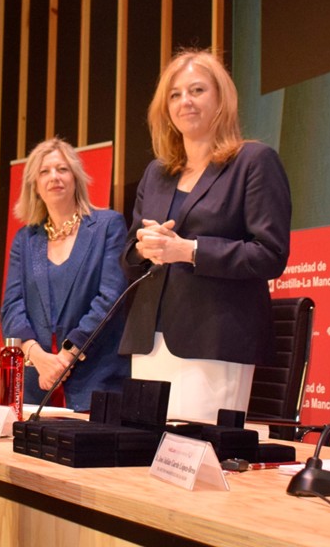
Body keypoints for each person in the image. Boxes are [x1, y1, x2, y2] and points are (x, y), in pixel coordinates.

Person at [120, 49, 292, 423]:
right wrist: (145, 248)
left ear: (221, 99)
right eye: (175, 94)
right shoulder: (156, 173)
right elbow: (129, 255)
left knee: (198, 452)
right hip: (150, 338)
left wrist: (190, 250)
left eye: (197, 90)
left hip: (215, 339)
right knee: (146, 451)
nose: (186, 101)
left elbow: (270, 254)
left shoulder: (253, 161)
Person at [0, 138, 129, 411]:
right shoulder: (25, 240)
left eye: (62, 169)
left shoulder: (108, 226)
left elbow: (111, 298)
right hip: (36, 382)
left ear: (76, 177)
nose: (54, 177)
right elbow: (12, 308)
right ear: (34, 185)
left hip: (96, 380)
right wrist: (39, 358)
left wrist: (67, 356)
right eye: (44, 171)